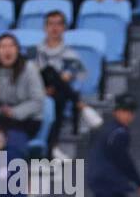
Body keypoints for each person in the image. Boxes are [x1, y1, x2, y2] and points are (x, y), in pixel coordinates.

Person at [35, 10, 101, 157]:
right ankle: (81, 105)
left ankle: (52, 147)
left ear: (64, 28)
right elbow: (29, 74)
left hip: (58, 94)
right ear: (45, 28)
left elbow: (82, 76)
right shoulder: (35, 51)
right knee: (50, 71)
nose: (54, 28)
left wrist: (70, 76)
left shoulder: (71, 55)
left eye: (58, 24)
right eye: (51, 24)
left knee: (57, 96)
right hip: (36, 91)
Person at [0, 32, 46, 141]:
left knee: (5, 138)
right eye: (3, 47)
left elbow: (38, 101)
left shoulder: (29, 68)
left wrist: (14, 112)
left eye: (11, 46)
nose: (7, 50)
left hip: (27, 119)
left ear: (18, 50)